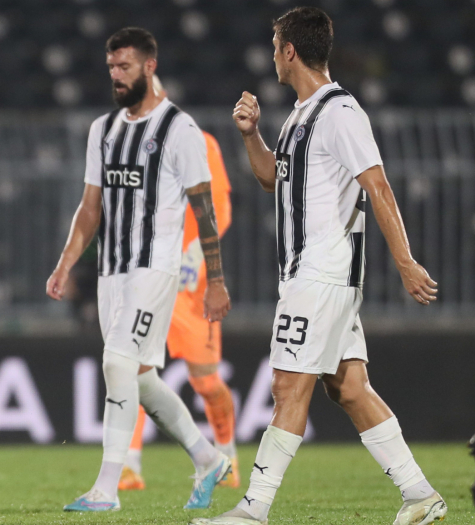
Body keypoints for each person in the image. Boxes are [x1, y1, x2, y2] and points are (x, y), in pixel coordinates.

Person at [193, 7, 445, 525]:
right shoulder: (300, 115)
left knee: (288, 387)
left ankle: (253, 509)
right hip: (316, 275)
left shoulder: (339, 112)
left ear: (289, 51)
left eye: (274, 46)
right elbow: (273, 178)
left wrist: (405, 261)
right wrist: (251, 134)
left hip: (321, 273)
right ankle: (420, 494)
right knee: (348, 386)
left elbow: (377, 185)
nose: (271, 56)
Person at [47, 27, 232, 513]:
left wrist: (215, 280)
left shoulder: (180, 130)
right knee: (142, 378)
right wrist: (66, 263)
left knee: (116, 363)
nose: (116, 75)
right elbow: (90, 207)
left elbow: (205, 211)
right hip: (112, 273)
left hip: (156, 269)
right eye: (111, 66)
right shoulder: (103, 130)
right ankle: (208, 458)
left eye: (125, 66)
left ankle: (107, 489)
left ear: (150, 66)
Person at [120, 127, 239, 491]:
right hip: (150, 277)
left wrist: (197, 252)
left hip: (191, 287)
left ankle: (227, 454)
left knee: (207, 382)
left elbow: (220, 208)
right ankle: (129, 466)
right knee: (133, 369)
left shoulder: (201, 143)